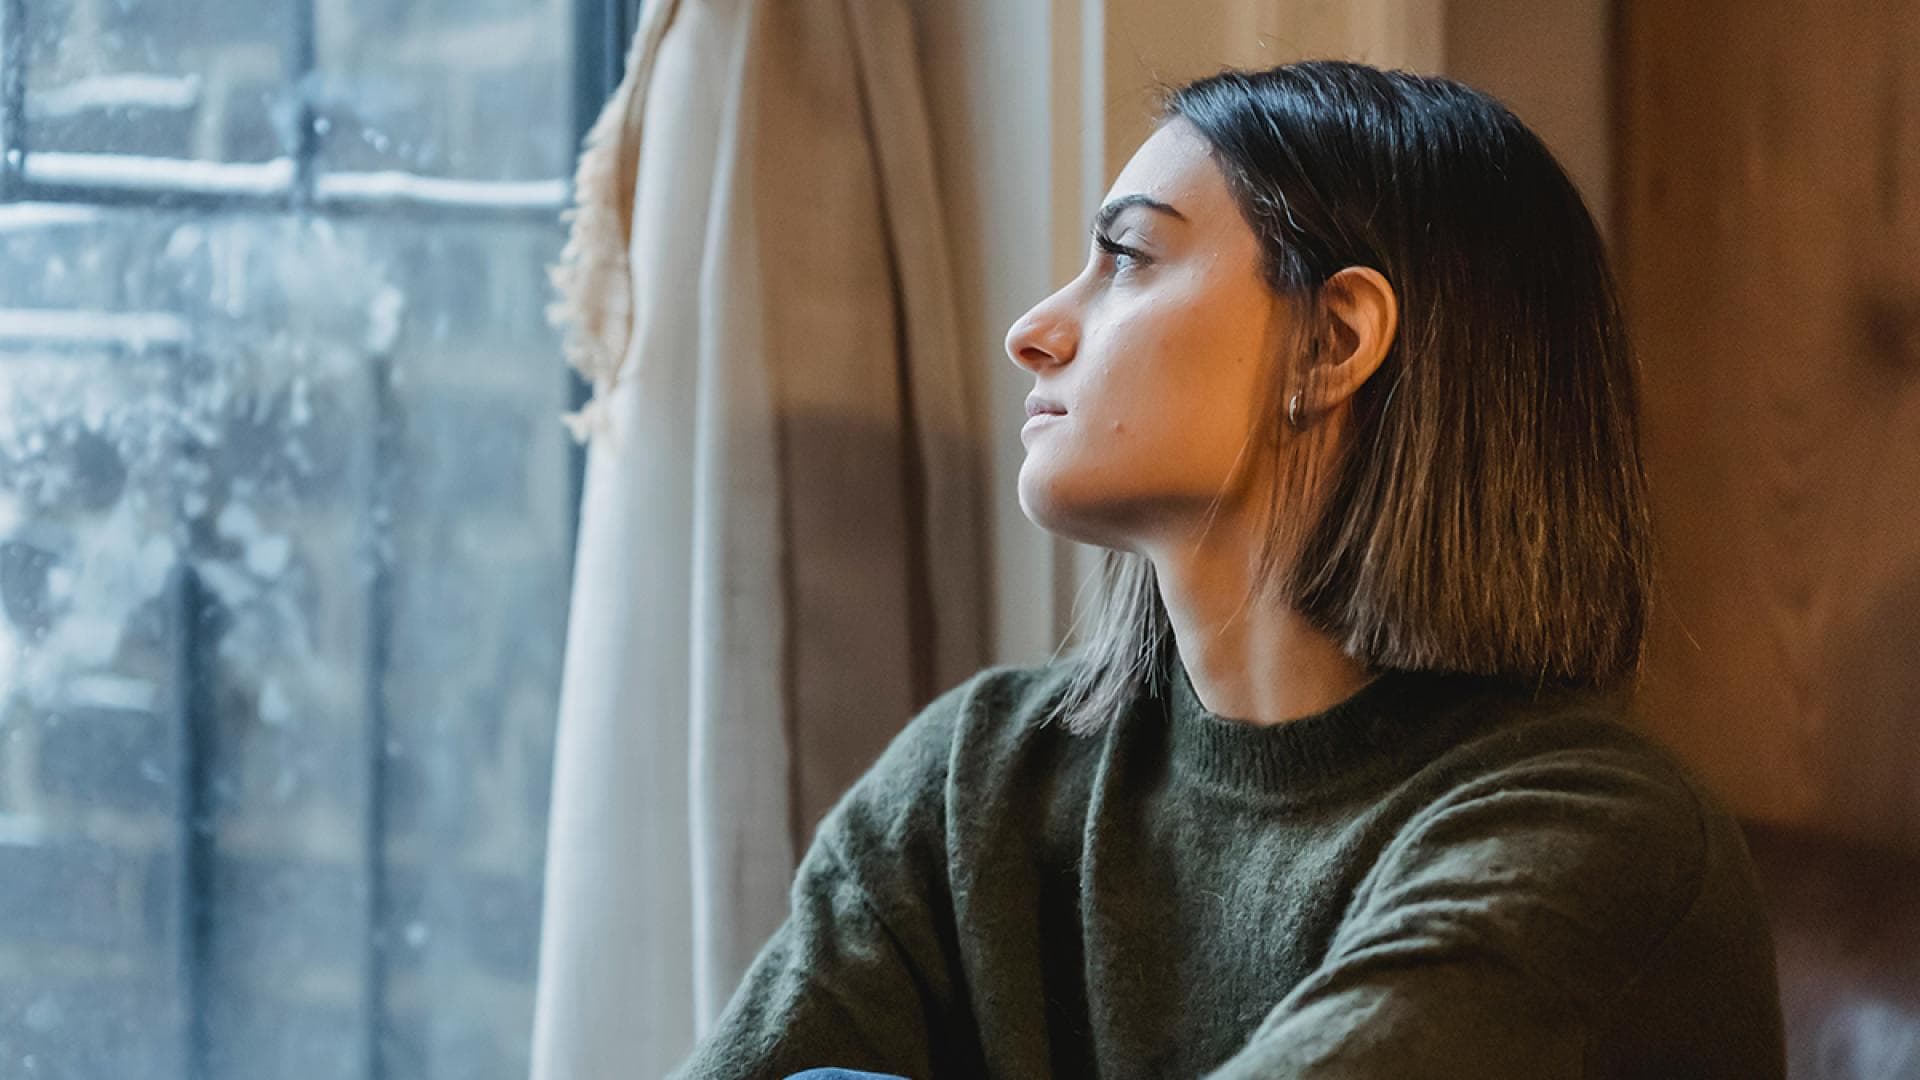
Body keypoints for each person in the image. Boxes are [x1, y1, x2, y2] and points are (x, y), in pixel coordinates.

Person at [666, 59, 1786, 1079]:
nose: (1035, 330)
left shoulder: (1591, 838)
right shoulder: (980, 780)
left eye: (1128, 258)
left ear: (1334, 341)